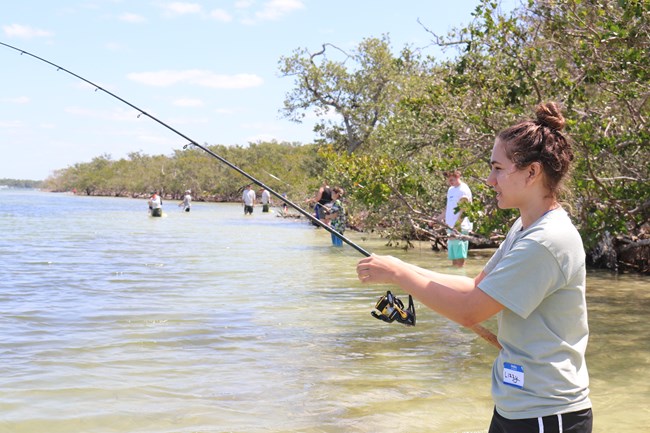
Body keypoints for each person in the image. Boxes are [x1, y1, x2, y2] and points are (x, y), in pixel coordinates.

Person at [356, 102, 592, 432]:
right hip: (517, 405)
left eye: (498, 168)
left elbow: (470, 311)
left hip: (546, 414)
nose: (489, 179)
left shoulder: (546, 241)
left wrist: (399, 275)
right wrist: (400, 265)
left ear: (532, 172)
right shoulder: (524, 228)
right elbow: (474, 287)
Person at [441, 170, 473, 267]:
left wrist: (457, 226)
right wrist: (437, 219)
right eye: (448, 179)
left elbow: (465, 209)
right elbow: (448, 208)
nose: (450, 181)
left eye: (452, 179)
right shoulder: (451, 189)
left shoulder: (463, 189)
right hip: (450, 227)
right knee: (454, 260)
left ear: (458, 176)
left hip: (460, 228)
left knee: (460, 259)